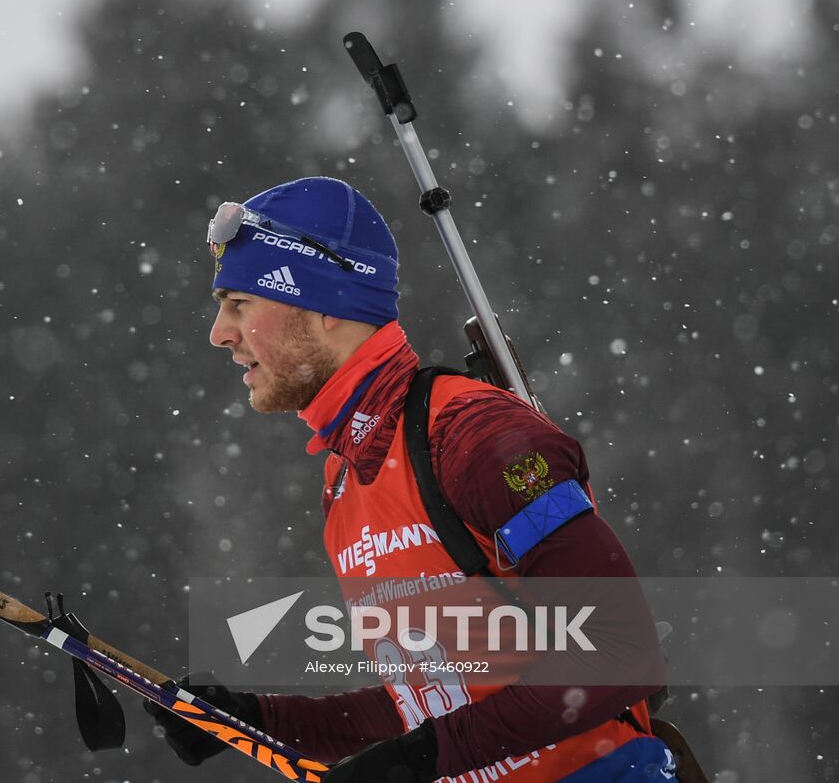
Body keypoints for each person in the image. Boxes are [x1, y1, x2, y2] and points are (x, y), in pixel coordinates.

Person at [146, 176, 674, 781]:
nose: (220, 333)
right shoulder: (346, 479)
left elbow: (620, 653)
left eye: (240, 304)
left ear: (323, 308)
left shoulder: (471, 435)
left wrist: (421, 758)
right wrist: (262, 720)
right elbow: (438, 699)